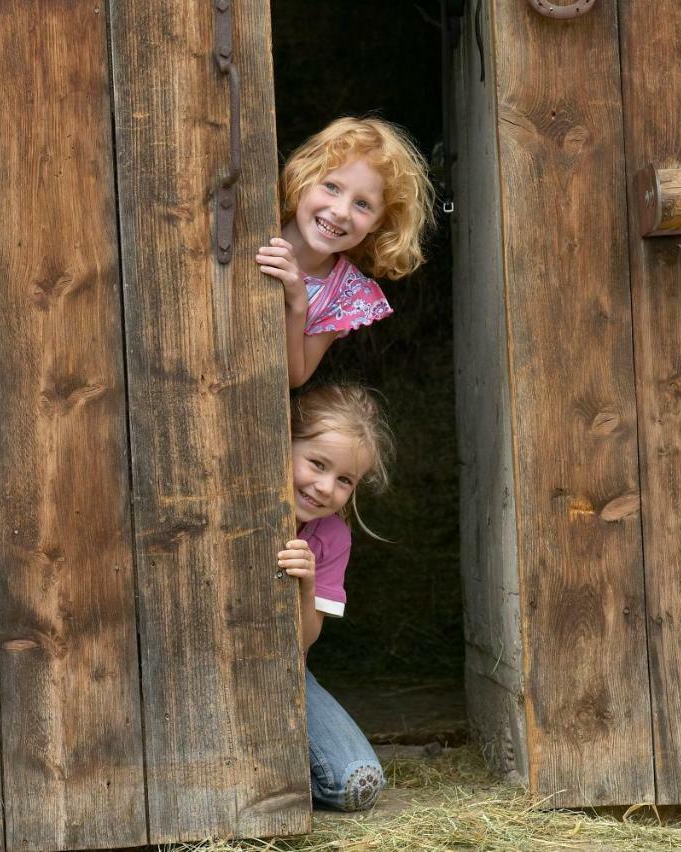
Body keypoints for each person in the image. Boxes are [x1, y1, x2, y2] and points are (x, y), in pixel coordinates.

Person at [276, 382, 393, 811]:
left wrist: (306, 584)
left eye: (344, 479)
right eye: (317, 464)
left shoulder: (331, 536)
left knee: (356, 781)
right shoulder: (231, 496)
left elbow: (303, 642)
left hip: (284, 673)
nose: (326, 487)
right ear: (282, 437)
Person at [256, 117, 433, 388]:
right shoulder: (256, 220)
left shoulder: (344, 293)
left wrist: (297, 304)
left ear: (377, 222)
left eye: (362, 204)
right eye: (332, 187)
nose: (340, 211)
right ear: (304, 178)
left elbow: (294, 377)